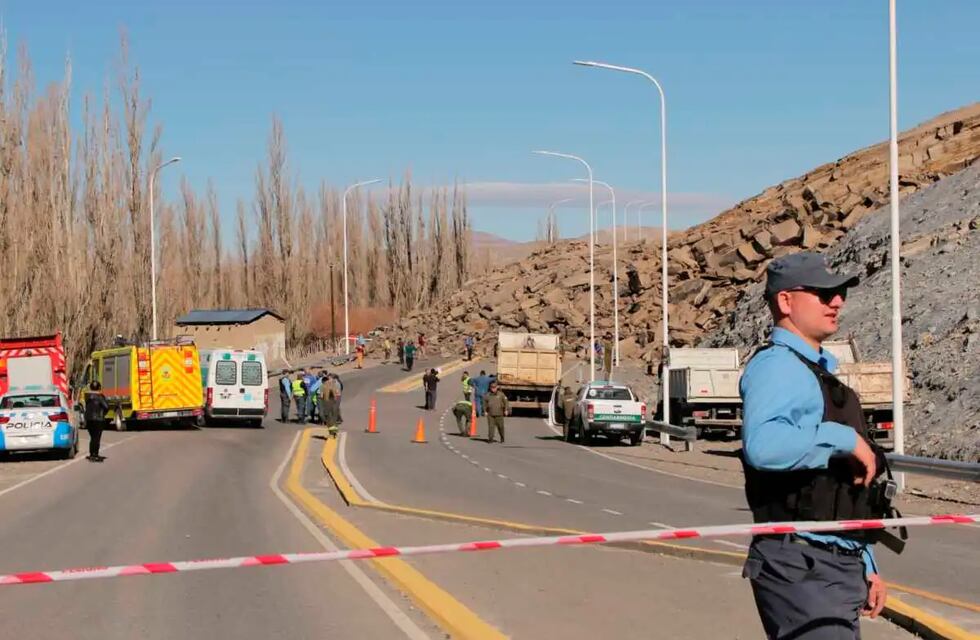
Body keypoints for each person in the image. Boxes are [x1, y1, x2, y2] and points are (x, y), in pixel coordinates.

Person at [740, 252, 899, 640]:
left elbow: (837, 488)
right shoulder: (778, 366)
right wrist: (845, 439)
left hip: (833, 561)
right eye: (822, 293)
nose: (837, 301)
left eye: (839, 293)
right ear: (785, 302)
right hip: (801, 564)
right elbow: (763, 446)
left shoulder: (814, 370)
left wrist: (865, 560)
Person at [83, 381, 110, 462]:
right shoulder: (100, 396)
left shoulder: (87, 396)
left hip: (89, 419)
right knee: (96, 438)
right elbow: (106, 407)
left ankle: (92, 454)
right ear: (99, 387)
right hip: (98, 420)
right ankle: (95, 455)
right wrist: (103, 414)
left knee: (93, 438)